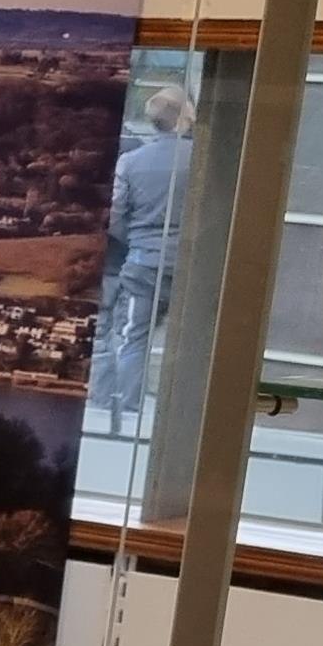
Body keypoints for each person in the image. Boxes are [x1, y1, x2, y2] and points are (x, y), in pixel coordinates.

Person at [95, 85, 192, 420]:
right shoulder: (203, 160)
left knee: (133, 337)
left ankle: (127, 410)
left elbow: (114, 217)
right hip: (192, 267)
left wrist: (137, 240)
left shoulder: (131, 162)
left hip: (143, 264)